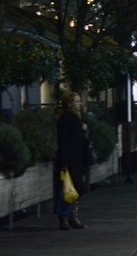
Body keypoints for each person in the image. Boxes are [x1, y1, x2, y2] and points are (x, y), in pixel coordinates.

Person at [54, 91, 88, 230]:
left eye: (79, 101)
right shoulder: (65, 119)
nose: (79, 104)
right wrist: (63, 163)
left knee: (74, 188)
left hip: (77, 159)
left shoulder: (76, 119)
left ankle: (71, 216)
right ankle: (66, 218)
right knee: (67, 189)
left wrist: (84, 130)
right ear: (69, 103)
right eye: (77, 101)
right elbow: (63, 142)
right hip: (69, 160)